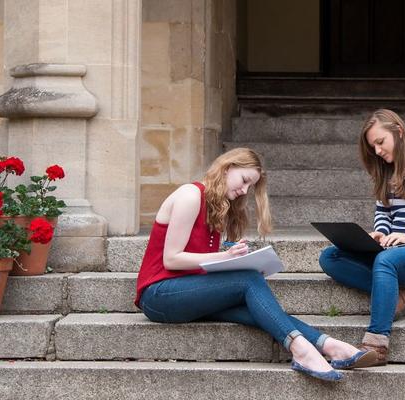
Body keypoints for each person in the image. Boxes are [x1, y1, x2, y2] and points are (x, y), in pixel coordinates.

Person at [135, 148, 376, 381]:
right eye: (244, 180)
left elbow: (198, 266)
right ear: (227, 168)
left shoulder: (217, 206)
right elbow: (172, 259)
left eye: (250, 186)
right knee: (249, 280)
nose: (244, 190)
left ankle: (329, 345)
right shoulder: (190, 195)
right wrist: (226, 259)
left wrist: (238, 261)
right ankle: (302, 351)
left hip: (184, 291)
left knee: (257, 304)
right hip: (158, 294)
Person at [319, 109, 405, 368]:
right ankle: (398, 295)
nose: (378, 151)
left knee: (386, 261)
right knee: (330, 257)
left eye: (380, 142)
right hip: (394, 251)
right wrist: (380, 232)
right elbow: (384, 212)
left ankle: (376, 345)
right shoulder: (386, 172)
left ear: (398, 130)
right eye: (373, 147)